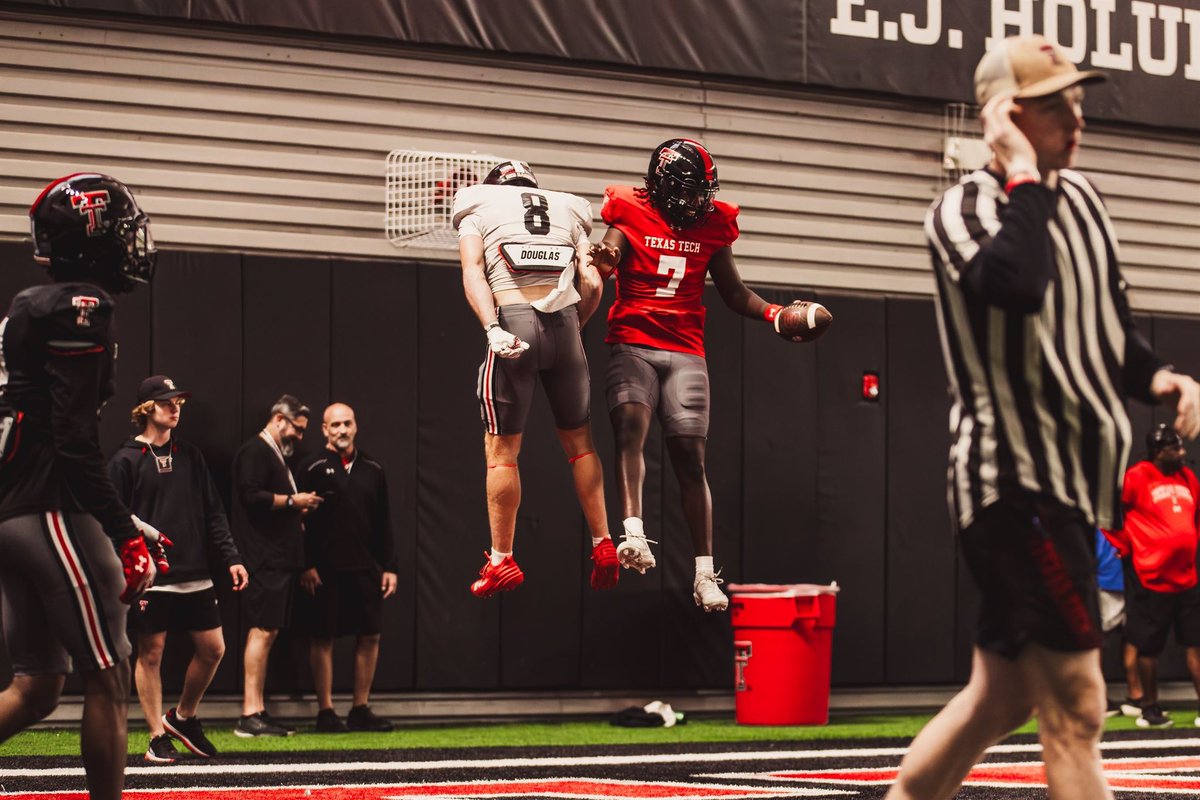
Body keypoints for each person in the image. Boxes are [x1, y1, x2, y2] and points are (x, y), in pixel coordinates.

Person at [888, 35, 1200, 800]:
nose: (1078, 117)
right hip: (1012, 482)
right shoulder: (960, 210)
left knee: (1001, 698)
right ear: (1008, 116)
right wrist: (1021, 170)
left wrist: (1156, 375)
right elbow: (1019, 285)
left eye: (1078, 100)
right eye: (1057, 103)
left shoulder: (1083, 199)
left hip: (1067, 484)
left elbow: (1106, 321)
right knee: (1079, 705)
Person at [588, 139, 811, 612]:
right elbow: (608, 252)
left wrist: (774, 313)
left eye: (704, 193)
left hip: (686, 349)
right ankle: (633, 533)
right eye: (690, 192)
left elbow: (732, 291)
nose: (698, 203)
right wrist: (601, 261)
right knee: (630, 427)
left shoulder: (713, 224)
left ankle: (704, 573)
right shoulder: (629, 209)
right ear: (665, 186)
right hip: (634, 341)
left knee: (690, 460)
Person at [0, 173, 168, 800]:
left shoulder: (33, 307)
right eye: (122, 232)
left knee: (38, 686)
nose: (132, 244)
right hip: (47, 509)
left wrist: (126, 521)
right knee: (109, 671)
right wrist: (125, 532)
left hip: (18, 510)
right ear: (92, 238)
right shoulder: (81, 306)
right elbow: (72, 442)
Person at [452, 160, 618, 597]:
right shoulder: (566, 209)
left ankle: (501, 559)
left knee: (502, 452)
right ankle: (604, 543)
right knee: (581, 446)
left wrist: (492, 327)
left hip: (512, 319)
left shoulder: (478, 207)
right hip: (566, 329)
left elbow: (472, 272)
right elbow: (593, 282)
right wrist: (573, 330)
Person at [108, 375, 249, 762]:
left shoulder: (190, 455)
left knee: (213, 649)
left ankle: (183, 717)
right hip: (152, 576)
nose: (175, 408)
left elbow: (213, 512)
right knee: (150, 652)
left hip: (196, 571)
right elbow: (110, 520)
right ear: (146, 409)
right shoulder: (124, 460)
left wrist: (232, 557)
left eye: (179, 403)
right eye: (167, 402)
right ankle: (156, 735)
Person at [296, 403, 397, 733]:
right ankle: (326, 711)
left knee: (370, 636)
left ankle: (360, 709)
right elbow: (296, 524)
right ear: (324, 429)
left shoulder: (373, 469)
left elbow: (384, 523)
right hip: (323, 571)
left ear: (356, 426)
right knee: (322, 638)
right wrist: (305, 565)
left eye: (347, 424)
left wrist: (389, 566)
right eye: (334, 425)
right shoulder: (309, 467)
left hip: (365, 568)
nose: (341, 430)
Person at [231, 394, 321, 737]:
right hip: (263, 559)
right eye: (296, 428)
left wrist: (294, 507)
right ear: (278, 419)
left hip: (275, 559)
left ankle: (257, 710)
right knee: (262, 631)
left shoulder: (273, 454)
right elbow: (249, 496)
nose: (299, 436)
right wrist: (291, 501)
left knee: (268, 633)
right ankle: (249, 713)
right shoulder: (255, 451)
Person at [1102, 425, 1200, 729]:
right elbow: (1110, 510)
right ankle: (1149, 707)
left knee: (1196, 644)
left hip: (1187, 577)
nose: (1182, 454)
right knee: (1148, 647)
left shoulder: (1187, 478)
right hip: (1151, 577)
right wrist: (1124, 546)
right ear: (1158, 451)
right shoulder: (1137, 476)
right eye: (1175, 449)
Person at [1095, 528, 1144, 720]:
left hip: (1135, 577)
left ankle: (1136, 695)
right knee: (1097, 639)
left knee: (1134, 636)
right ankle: (1099, 698)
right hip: (1105, 581)